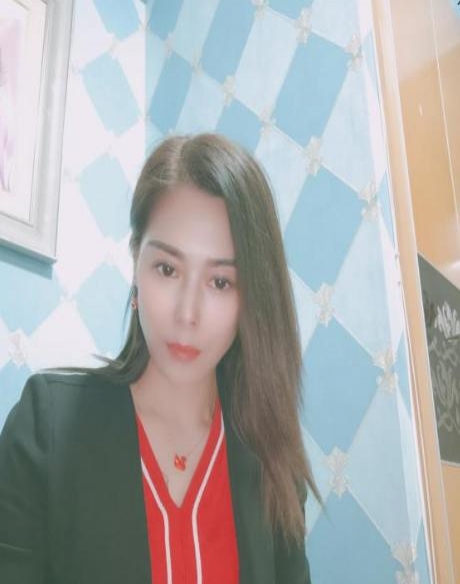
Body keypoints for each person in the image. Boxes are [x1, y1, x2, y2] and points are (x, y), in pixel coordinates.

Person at [0, 133, 318, 583]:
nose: (187, 313)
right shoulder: (47, 425)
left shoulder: (271, 455)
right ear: (136, 263)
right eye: (167, 269)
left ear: (251, 298)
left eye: (220, 282)